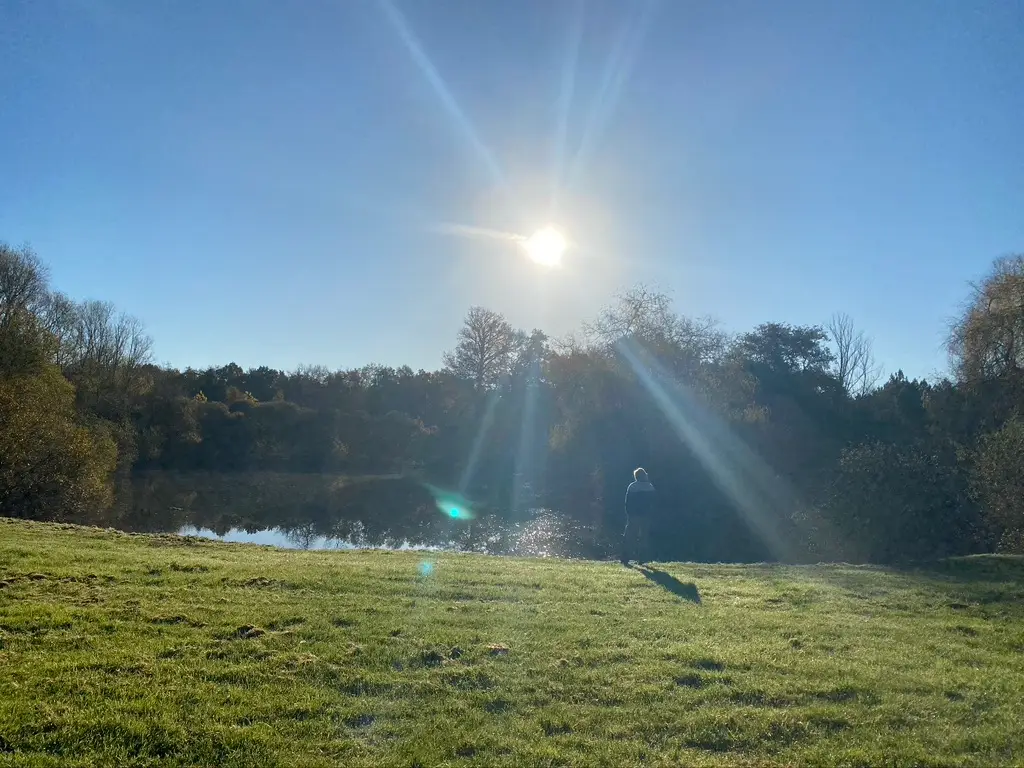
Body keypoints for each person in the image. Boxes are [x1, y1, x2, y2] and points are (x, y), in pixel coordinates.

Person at [621, 467, 656, 564]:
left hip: (633, 515)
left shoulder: (632, 486)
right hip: (645, 515)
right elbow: (653, 502)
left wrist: (628, 513)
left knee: (630, 535)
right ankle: (642, 558)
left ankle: (626, 557)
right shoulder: (650, 487)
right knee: (644, 536)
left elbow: (627, 502)